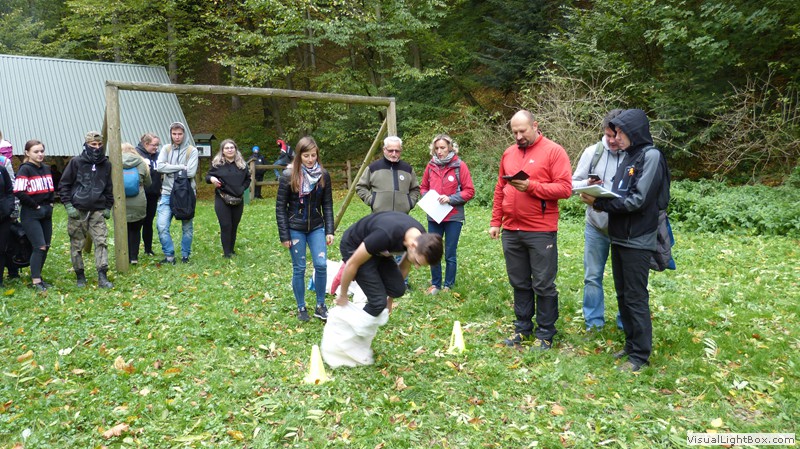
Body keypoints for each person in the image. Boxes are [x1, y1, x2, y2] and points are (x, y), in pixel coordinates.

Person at [580, 108, 667, 372]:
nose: (616, 138)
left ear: (633, 132)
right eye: (614, 133)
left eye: (619, 133)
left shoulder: (651, 156)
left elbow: (638, 200)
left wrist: (599, 204)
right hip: (619, 236)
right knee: (623, 295)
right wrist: (599, 194)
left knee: (635, 297)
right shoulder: (630, 157)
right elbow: (620, 194)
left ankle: (640, 356)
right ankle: (630, 346)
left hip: (637, 239)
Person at [489, 110, 573, 351]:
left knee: (543, 283)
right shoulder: (509, 153)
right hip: (511, 229)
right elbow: (500, 188)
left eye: (522, 131)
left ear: (535, 125)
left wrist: (531, 187)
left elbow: (565, 189)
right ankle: (522, 328)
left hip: (540, 229)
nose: (518, 136)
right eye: (514, 132)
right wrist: (496, 221)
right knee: (519, 282)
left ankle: (545, 333)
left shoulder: (554, 151)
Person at [321, 212, 442, 367]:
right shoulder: (385, 234)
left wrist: (390, 299)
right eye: (418, 262)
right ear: (413, 246)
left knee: (398, 289)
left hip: (379, 251)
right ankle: (350, 340)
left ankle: (362, 325)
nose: (417, 267)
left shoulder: (421, 238)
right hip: (354, 246)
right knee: (378, 302)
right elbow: (352, 263)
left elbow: (405, 266)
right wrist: (343, 294)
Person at [572, 109, 625, 332]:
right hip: (596, 225)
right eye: (607, 135)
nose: (611, 141)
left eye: (615, 136)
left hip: (624, 226)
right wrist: (588, 184)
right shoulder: (592, 152)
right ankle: (594, 324)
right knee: (592, 276)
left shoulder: (634, 154)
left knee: (626, 279)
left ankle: (626, 323)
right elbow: (571, 184)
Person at [275, 136, 335, 321]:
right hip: (295, 228)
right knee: (299, 268)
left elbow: (327, 204)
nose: (310, 159)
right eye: (306, 155)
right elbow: (280, 208)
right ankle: (301, 307)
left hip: (316, 226)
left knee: (321, 265)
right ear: (299, 155)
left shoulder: (323, 175)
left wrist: (330, 230)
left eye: (313, 155)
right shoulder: (288, 176)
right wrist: (284, 235)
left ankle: (320, 305)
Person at [419, 134, 475, 295]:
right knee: (433, 250)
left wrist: (450, 199)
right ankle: (435, 284)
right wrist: (429, 197)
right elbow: (423, 187)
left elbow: (469, 191)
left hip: (453, 216)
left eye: (443, 148)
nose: (439, 151)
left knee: (450, 252)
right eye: (437, 148)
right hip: (434, 216)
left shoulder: (459, 166)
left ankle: (448, 285)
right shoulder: (431, 166)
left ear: (450, 148)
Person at [59, 131, 114, 289]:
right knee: (77, 244)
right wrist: (68, 205)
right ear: (86, 145)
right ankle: (80, 275)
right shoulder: (76, 162)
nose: (96, 147)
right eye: (93, 144)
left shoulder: (106, 164)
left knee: (101, 241)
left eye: (99, 144)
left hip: (98, 209)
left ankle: (102, 275)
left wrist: (108, 206)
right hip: (78, 209)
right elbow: (64, 185)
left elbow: (108, 187)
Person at [13, 140, 55, 292]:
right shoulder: (25, 169)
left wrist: (50, 203)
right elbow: (18, 191)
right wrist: (35, 205)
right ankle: (36, 281)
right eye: (36, 152)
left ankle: (38, 276)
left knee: (46, 246)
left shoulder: (46, 168)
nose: (40, 154)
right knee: (39, 246)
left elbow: (50, 188)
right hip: (31, 214)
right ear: (27, 153)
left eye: (42, 151)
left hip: (46, 212)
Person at [156, 122, 198, 264]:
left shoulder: (192, 151)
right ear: (170, 134)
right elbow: (159, 167)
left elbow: (191, 172)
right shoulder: (166, 149)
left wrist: (169, 168)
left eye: (180, 134)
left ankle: (185, 255)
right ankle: (169, 255)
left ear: (184, 134)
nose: (177, 137)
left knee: (187, 227)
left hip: (186, 193)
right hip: (167, 192)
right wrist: (181, 167)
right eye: (174, 134)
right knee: (162, 225)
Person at [206, 139, 250, 258]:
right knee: (226, 225)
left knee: (234, 225)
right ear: (222, 150)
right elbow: (208, 176)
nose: (230, 150)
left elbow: (248, 179)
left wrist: (242, 188)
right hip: (222, 198)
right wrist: (212, 179)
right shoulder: (217, 165)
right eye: (227, 148)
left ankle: (231, 250)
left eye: (232, 147)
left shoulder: (242, 165)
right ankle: (226, 253)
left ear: (235, 149)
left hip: (238, 199)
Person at [356, 136, 420, 214]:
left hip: (402, 216)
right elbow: (361, 187)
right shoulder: (373, 168)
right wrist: (372, 201)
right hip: (379, 215)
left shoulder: (408, 169)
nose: (394, 154)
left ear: (401, 150)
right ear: (384, 150)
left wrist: (410, 203)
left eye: (397, 151)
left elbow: (415, 189)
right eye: (390, 151)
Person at [122, 142, 152, 265]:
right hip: (138, 201)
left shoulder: (114, 163)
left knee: (123, 229)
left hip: (121, 201)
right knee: (135, 229)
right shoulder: (142, 163)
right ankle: (133, 257)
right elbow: (148, 183)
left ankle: (123, 255)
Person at [135, 133, 162, 256]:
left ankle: (148, 249)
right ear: (146, 144)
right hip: (140, 194)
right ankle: (133, 251)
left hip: (153, 194)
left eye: (157, 145)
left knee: (148, 222)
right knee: (137, 223)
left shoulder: (158, 156)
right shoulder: (137, 154)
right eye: (154, 145)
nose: (156, 148)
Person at [0, 136, 20, 281]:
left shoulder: (3, 164)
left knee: (4, 246)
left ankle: (7, 275)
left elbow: (11, 188)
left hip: (3, 214)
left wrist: (12, 209)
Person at [0, 156, 13, 288]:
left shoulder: (2, 170)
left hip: (3, 217)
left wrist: (8, 208)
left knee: (2, 249)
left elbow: (9, 191)